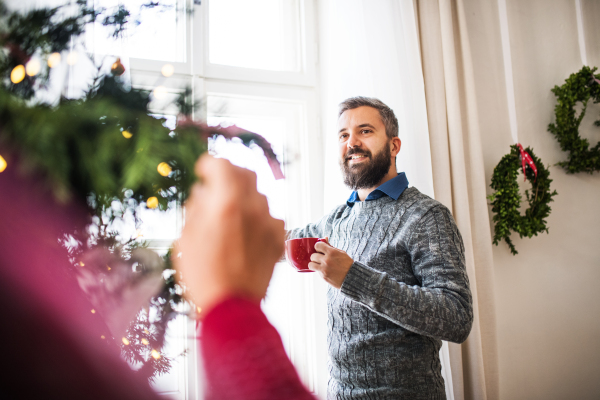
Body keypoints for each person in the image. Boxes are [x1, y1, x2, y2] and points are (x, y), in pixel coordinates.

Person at [286, 97, 474, 399]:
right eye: (344, 135)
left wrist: (353, 278)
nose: (352, 143)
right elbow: (281, 240)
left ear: (394, 146)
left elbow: (456, 317)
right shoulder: (338, 218)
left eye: (365, 131)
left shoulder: (426, 216)